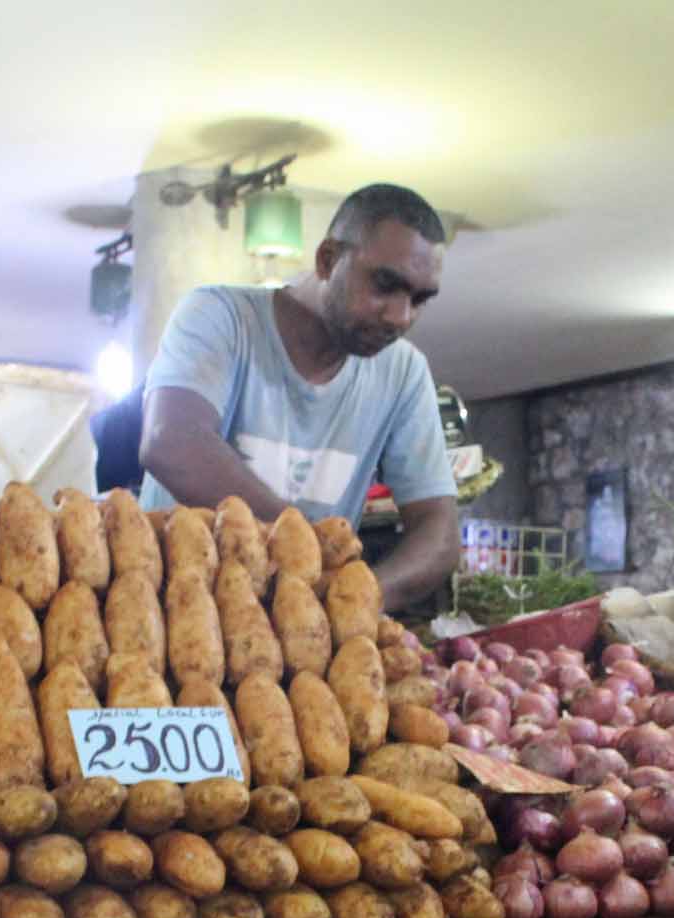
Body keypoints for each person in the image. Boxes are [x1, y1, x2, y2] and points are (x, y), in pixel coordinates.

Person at [138, 182, 460, 610]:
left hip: (300, 642)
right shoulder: (220, 316)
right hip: (171, 625)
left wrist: (358, 597)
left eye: (419, 299)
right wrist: (304, 542)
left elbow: (438, 531)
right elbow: (171, 440)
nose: (401, 315)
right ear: (328, 260)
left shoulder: (404, 373)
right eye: (385, 285)